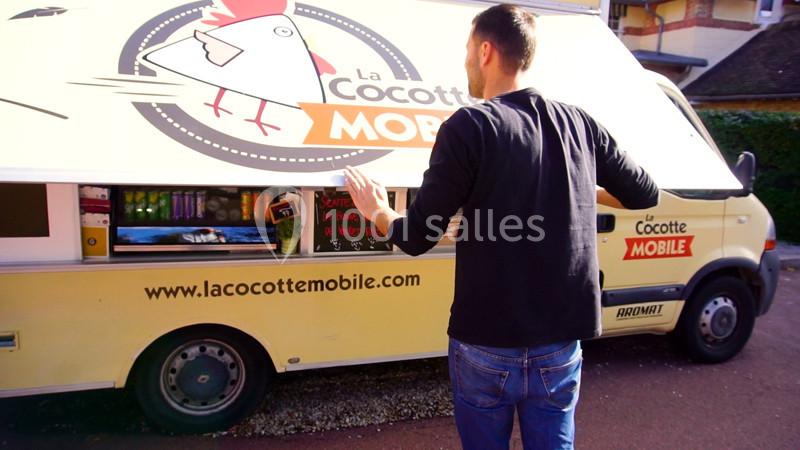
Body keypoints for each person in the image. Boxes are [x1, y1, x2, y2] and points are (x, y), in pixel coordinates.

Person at [343, 4, 660, 449]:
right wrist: (576, 185)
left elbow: (417, 235)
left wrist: (378, 210)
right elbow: (645, 193)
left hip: (486, 344)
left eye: (468, 51)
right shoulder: (580, 123)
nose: (467, 62)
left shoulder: (469, 127)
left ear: (486, 51)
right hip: (560, 343)